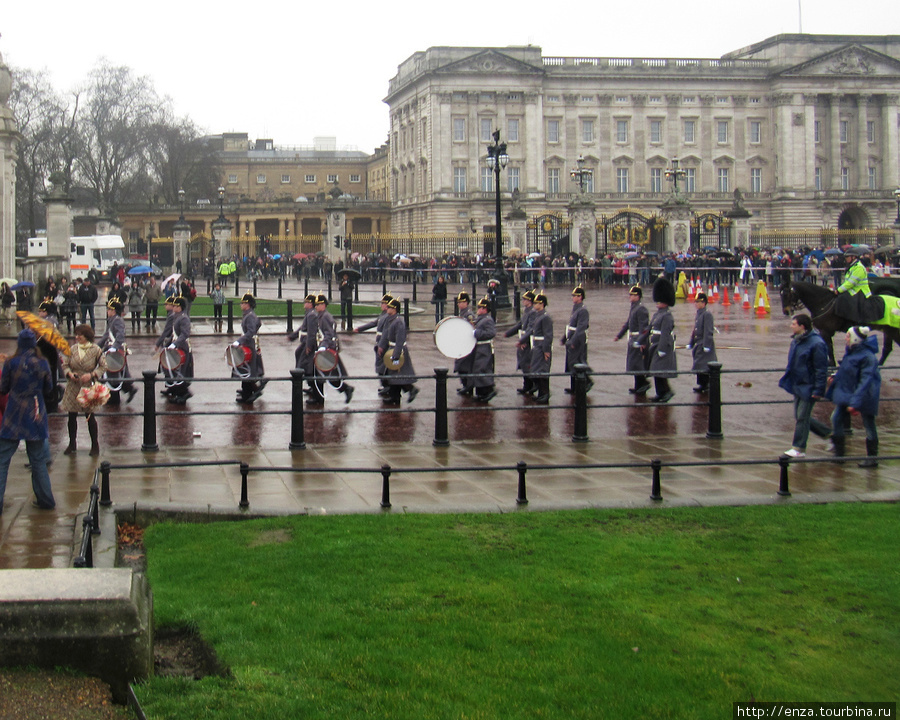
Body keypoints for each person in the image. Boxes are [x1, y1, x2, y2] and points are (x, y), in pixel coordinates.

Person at [0, 329, 56, 513]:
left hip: (14, 411)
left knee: (2, 459)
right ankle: (46, 500)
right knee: (38, 460)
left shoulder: (11, 362)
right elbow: (49, 388)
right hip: (35, 411)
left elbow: (3, 387)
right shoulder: (42, 363)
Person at [825, 326, 881, 467]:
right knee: (836, 418)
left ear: (855, 339)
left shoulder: (867, 357)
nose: (846, 338)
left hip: (864, 395)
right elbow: (848, 372)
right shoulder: (852, 352)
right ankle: (839, 454)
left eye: (848, 336)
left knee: (869, 424)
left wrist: (855, 402)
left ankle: (872, 457)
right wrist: (836, 377)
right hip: (849, 393)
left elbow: (865, 380)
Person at [778, 313, 831, 458]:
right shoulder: (797, 340)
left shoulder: (817, 343)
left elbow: (821, 369)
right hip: (799, 384)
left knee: (802, 416)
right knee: (800, 415)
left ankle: (799, 448)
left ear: (802, 326)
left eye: (793, 324)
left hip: (809, 385)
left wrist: (818, 389)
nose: (791, 326)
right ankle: (829, 434)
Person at [60, 324, 107, 456]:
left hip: (87, 386)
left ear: (86, 336)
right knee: (71, 416)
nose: (77, 337)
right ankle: (72, 444)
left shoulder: (96, 350)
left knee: (90, 416)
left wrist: (92, 374)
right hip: (73, 386)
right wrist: (69, 373)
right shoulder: (72, 349)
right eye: (76, 335)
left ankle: (95, 445)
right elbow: (65, 365)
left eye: (79, 335)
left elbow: (103, 366)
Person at [307, 294, 353, 405]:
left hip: (327, 349)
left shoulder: (326, 317)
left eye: (318, 304)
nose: (316, 306)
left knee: (326, 374)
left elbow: (329, 334)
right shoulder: (321, 316)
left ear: (323, 305)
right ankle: (319, 397)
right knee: (321, 374)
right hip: (323, 348)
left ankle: (344, 389)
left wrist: (323, 346)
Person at [639, 277, 677, 403]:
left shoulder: (667, 316)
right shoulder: (658, 314)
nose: (657, 302)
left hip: (662, 346)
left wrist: (661, 349)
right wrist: (640, 340)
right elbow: (649, 329)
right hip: (654, 345)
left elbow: (665, 334)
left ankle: (666, 392)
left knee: (658, 370)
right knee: (656, 370)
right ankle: (660, 393)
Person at [378, 297, 418, 405]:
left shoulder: (398, 322)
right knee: (393, 375)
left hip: (398, 351)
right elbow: (385, 335)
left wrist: (396, 354)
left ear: (395, 309)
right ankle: (395, 396)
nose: (387, 308)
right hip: (391, 349)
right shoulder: (390, 320)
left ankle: (410, 389)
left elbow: (400, 340)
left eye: (390, 307)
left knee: (398, 374)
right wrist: (381, 346)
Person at [97, 300, 137, 404]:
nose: (107, 311)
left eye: (109, 309)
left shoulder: (118, 320)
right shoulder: (112, 320)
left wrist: (114, 347)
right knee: (115, 373)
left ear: (114, 311)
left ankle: (115, 397)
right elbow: (106, 335)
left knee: (114, 373)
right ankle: (128, 389)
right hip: (111, 350)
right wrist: (97, 346)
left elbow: (120, 336)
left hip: (116, 351)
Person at [354, 293, 393, 398]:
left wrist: (381, 345)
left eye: (384, 303)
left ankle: (388, 386)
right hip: (379, 342)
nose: (382, 305)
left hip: (383, 344)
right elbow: (373, 323)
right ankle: (385, 385)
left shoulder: (388, 317)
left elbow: (386, 333)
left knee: (383, 367)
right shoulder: (382, 315)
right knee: (380, 366)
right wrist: (360, 328)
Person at [614, 285, 651, 395]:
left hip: (638, 339)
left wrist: (642, 342)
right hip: (633, 338)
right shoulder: (634, 307)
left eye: (632, 295)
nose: (630, 296)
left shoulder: (641, 309)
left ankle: (642, 384)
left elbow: (644, 328)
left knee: (638, 364)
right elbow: (628, 323)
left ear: (638, 296)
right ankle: (638, 385)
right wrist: (619, 335)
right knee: (634, 364)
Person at [520, 292, 553, 404]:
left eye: (536, 303)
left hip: (542, 346)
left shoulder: (545, 317)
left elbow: (548, 335)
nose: (534, 305)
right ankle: (540, 393)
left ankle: (545, 394)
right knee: (536, 370)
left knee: (543, 371)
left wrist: (546, 350)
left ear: (542, 304)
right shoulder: (538, 315)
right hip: (536, 345)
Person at [234, 293, 267, 404]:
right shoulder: (248, 315)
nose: (241, 305)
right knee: (245, 368)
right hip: (247, 343)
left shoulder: (250, 316)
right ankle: (247, 389)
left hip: (249, 344)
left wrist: (239, 341)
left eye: (243, 303)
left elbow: (251, 331)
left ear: (247, 305)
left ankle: (249, 391)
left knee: (247, 368)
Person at [835, 251, 883, 324]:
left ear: (853, 257)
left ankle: (856, 322)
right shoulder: (852, 266)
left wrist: (838, 290)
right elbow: (846, 282)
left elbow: (851, 283)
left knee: (844, 300)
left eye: (847, 257)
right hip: (854, 291)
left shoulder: (859, 267)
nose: (846, 259)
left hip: (861, 292)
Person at [504, 289, 536, 396]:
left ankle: (532, 385)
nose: (523, 301)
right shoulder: (527, 311)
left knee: (528, 364)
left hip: (528, 342)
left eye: (525, 299)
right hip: (523, 339)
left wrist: (523, 340)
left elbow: (530, 328)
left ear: (530, 301)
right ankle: (526, 385)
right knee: (523, 363)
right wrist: (508, 333)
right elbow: (520, 325)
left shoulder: (533, 312)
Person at [562, 285, 593, 394]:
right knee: (571, 363)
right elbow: (571, 326)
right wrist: (564, 338)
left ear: (580, 297)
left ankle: (587, 381)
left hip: (578, 340)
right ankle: (574, 387)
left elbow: (580, 328)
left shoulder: (583, 310)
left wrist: (573, 341)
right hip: (572, 337)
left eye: (574, 296)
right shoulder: (576, 308)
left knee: (577, 361)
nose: (572, 298)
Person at [166, 297, 194, 405]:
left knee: (180, 372)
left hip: (182, 347)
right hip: (177, 346)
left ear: (180, 307)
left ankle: (184, 394)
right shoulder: (176, 317)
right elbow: (174, 334)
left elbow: (184, 334)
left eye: (176, 306)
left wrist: (175, 344)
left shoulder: (183, 318)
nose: (174, 307)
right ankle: (179, 393)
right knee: (175, 370)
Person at [688, 292, 718, 394]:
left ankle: (706, 385)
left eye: (698, 302)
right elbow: (695, 330)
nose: (696, 304)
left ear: (704, 303)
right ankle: (701, 384)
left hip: (704, 344)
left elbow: (708, 331)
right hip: (698, 343)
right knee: (699, 365)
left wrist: (706, 345)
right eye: (695, 302)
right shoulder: (699, 314)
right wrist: (691, 342)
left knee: (704, 366)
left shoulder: (707, 314)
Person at [470, 297, 497, 402]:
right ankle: (481, 392)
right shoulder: (481, 319)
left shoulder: (488, 320)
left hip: (485, 347)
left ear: (485, 309)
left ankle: (489, 390)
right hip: (479, 347)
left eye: (480, 307)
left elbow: (491, 333)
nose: (478, 309)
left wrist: (476, 333)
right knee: (478, 369)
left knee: (483, 369)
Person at [454, 292, 476, 395]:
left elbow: (471, 329)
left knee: (465, 366)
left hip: (466, 344)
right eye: (458, 302)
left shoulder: (468, 315)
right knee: (460, 365)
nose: (459, 304)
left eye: (461, 302)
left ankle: (468, 386)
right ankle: (465, 385)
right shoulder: (462, 313)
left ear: (466, 303)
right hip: (461, 343)